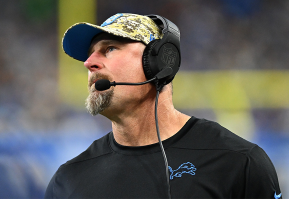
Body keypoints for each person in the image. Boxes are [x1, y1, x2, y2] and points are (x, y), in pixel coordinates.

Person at [45, 13, 282, 199]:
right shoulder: (67, 181)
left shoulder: (239, 163)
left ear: (159, 63)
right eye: (89, 54)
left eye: (109, 49)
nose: (88, 63)